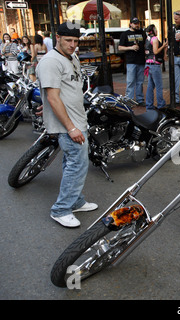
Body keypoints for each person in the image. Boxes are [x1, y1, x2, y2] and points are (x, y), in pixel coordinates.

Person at [36, 22, 98, 228]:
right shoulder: (51, 62)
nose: (73, 44)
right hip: (69, 124)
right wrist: (71, 127)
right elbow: (53, 97)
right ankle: (61, 209)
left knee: (71, 163)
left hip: (77, 118)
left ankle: (76, 200)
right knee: (77, 165)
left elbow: (63, 91)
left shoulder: (71, 58)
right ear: (58, 38)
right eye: (68, 40)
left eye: (76, 41)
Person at [119, 17, 146, 106]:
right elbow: (120, 47)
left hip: (141, 60)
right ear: (130, 24)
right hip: (131, 61)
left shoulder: (142, 33)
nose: (137, 25)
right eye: (135, 23)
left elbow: (146, 43)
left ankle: (140, 99)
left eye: (138, 23)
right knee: (130, 81)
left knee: (140, 81)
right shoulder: (125, 34)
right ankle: (129, 99)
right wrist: (131, 48)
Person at [144, 24, 167, 110]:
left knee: (150, 86)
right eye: (156, 29)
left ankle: (149, 105)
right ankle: (161, 104)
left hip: (148, 65)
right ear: (153, 30)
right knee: (158, 86)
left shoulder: (147, 39)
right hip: (154, 65)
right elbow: (155, 51)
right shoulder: (155, 39)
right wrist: (163, 46)